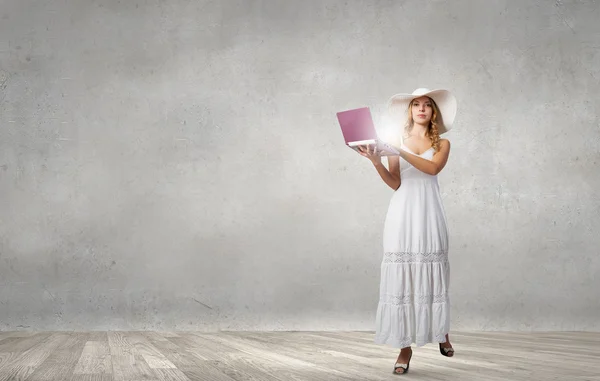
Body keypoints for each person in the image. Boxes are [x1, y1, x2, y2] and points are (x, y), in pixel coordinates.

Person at [357, 88, 457, 375]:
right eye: (416, 104)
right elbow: (395, 182)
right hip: (402, 213)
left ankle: (441, 331)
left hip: (429, 212)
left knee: (432, 272)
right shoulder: (395, 142)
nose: (421, 109)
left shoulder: (443, 144)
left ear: (433, 112)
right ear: (410, 110)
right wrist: (377, 160)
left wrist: (397, 150)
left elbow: (432, 169)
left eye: (427, 105)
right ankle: (404, 347)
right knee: (402, 278)